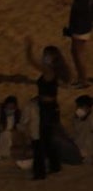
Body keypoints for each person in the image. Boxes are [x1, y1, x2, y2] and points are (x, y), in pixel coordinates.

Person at [24, 38, 71, 179]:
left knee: (39, 140)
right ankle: (55, 166)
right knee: (47, 138)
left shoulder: (48, 70)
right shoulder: (54, 71)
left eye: (46, 55)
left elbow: (31, 61)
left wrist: (29, 48)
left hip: (47, 110)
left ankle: (40, 172)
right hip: (49, 107)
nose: (44, 57)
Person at [66, 0, 92, 88]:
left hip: (80, 28)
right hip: (82, 26)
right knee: (76, 52)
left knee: (78, 54)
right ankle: (82, 78)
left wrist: (72, 29)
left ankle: (83, 80)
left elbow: (80, 11)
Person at [72, 95, 93, 162]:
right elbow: (80, 117)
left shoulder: (89, 115)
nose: (77, 108)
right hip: (82, 145)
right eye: (78, 107)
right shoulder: (78, 115)